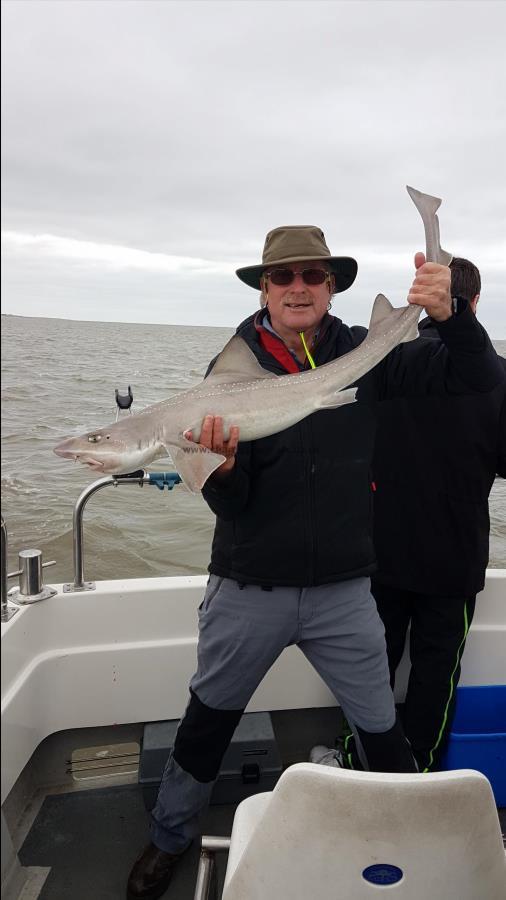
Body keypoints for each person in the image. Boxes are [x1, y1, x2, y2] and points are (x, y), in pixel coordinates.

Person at [127, 227, 502, 899]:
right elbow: (232, 503)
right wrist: (221, 470)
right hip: (249, 584)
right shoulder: (228, 373)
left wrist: (447, 317)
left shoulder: (371, 355)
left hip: (345, 591)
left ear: (331, 287)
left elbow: (477, 379)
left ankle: (407, 832)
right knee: (207, 721)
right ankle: (169, 837)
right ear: (264, 290)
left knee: (381, 729)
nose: (298, 287)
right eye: (283, 277)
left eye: (313, 276)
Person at [311, 257, 506, 775]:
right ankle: (420, 770)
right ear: (476, 302)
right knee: (436, 676)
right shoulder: (495, 376)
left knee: (368, 670)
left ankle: (355, 760)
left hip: (382, 550)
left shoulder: (388, 363)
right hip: (454, 556)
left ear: (424, 301)